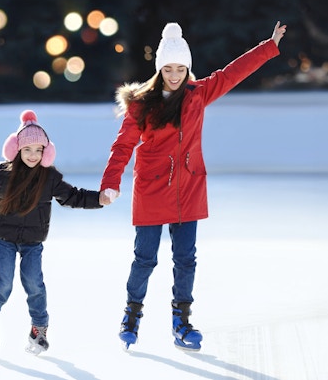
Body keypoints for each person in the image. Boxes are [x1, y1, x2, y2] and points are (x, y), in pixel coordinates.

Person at [99, 21, 287, 351]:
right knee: (145, 259)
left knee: (186, 260)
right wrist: (110, 182)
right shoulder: (142, 103)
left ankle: (182, 322)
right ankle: (131, 316)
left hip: (188, 187)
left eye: (180, 68)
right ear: (159, 69)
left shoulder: (198, 95)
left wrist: (268, 46)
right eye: (168, 68)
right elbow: (123, 146)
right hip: (152, 190)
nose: (174, 75)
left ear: (188, 68)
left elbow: (232, 73)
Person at [0, 110, 105, 356]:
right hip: (5, 239)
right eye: (28, 149)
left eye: (39, 150)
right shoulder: (3, 172)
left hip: (33, 241)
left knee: (34, 285)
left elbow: (73, 196)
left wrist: (99, 199)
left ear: (46, 152)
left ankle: (38, 330)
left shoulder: (49, 177)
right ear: (17, 149)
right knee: (4, 284)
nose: (33, 155)